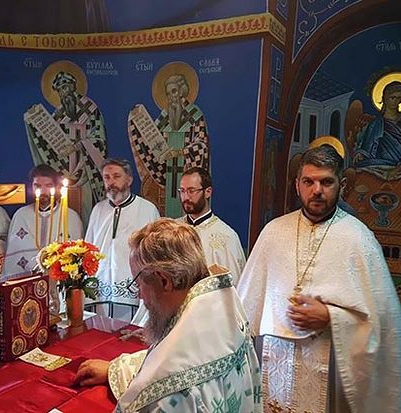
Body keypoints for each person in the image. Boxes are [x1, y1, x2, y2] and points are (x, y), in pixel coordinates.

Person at [237, 145, 401, 413]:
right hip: (274, 359)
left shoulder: (358, 239)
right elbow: (244, 309)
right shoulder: (273, 232)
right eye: (308, 181)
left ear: (342, 185)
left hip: (332, 367)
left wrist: (332, 317)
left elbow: (382, 323)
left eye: (326, 182)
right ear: (297, 185)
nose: (316, 190)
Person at [74, 218, 262, 413]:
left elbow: (167, 372)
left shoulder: (169, 394)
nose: (138, 295)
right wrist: (115, 370)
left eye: (138, 284)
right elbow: (174, 357)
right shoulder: (222, 306)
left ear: (164, 281)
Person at [131, 167, 246, 326]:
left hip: (205, 319)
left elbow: (232, 288)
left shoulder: (226, 236)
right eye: (182, 191)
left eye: (191, 191)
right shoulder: (170, 231)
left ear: (208, 192)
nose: (186, 197)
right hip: (170, 316)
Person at [25, 71, 107, 223]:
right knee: (65, 214)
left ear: (73, 87)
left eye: (66, 87)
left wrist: (78, 145)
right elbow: (49, 142)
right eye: (60, 90)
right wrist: (34, 121)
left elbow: (99, 138)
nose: (64, 92)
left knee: (87, 208)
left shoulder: (90, 108)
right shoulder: (58, 114)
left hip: (86, 169)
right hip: (65, 171)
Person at [129, 68, 210, 218]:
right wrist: (138, 124)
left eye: (174, 91)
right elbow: (152, 140)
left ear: (182, 91)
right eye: (168, 94)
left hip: (186, 169)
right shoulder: (165, 115)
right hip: (166, 174)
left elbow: (202, 145)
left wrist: (180, 152)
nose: (171, 97)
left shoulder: (195, 114)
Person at [85, 159, 159, 321]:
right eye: (107, 177)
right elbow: (88, 249)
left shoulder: (147, 209)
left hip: (133, 293)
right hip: (100, 291)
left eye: (116, 176)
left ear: (129, 180)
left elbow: (154, 255)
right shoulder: (98, 210)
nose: (111, 182)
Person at [3, 164, 83, 277]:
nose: (43, 191)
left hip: (59, 280)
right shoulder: (21, 215)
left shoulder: (71, 217)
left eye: (48, 186)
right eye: (37, 186)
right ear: (31, 187)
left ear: (57, 187)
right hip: (27, 280)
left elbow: (77, 256)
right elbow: (12, 257)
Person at [354, 80, 401, 172]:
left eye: (398, 98)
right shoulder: (375, 124)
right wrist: (361, 153)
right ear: (385, 98)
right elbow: (367, 145)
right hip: (377, 164)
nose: (395, 101)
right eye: (392, 97)